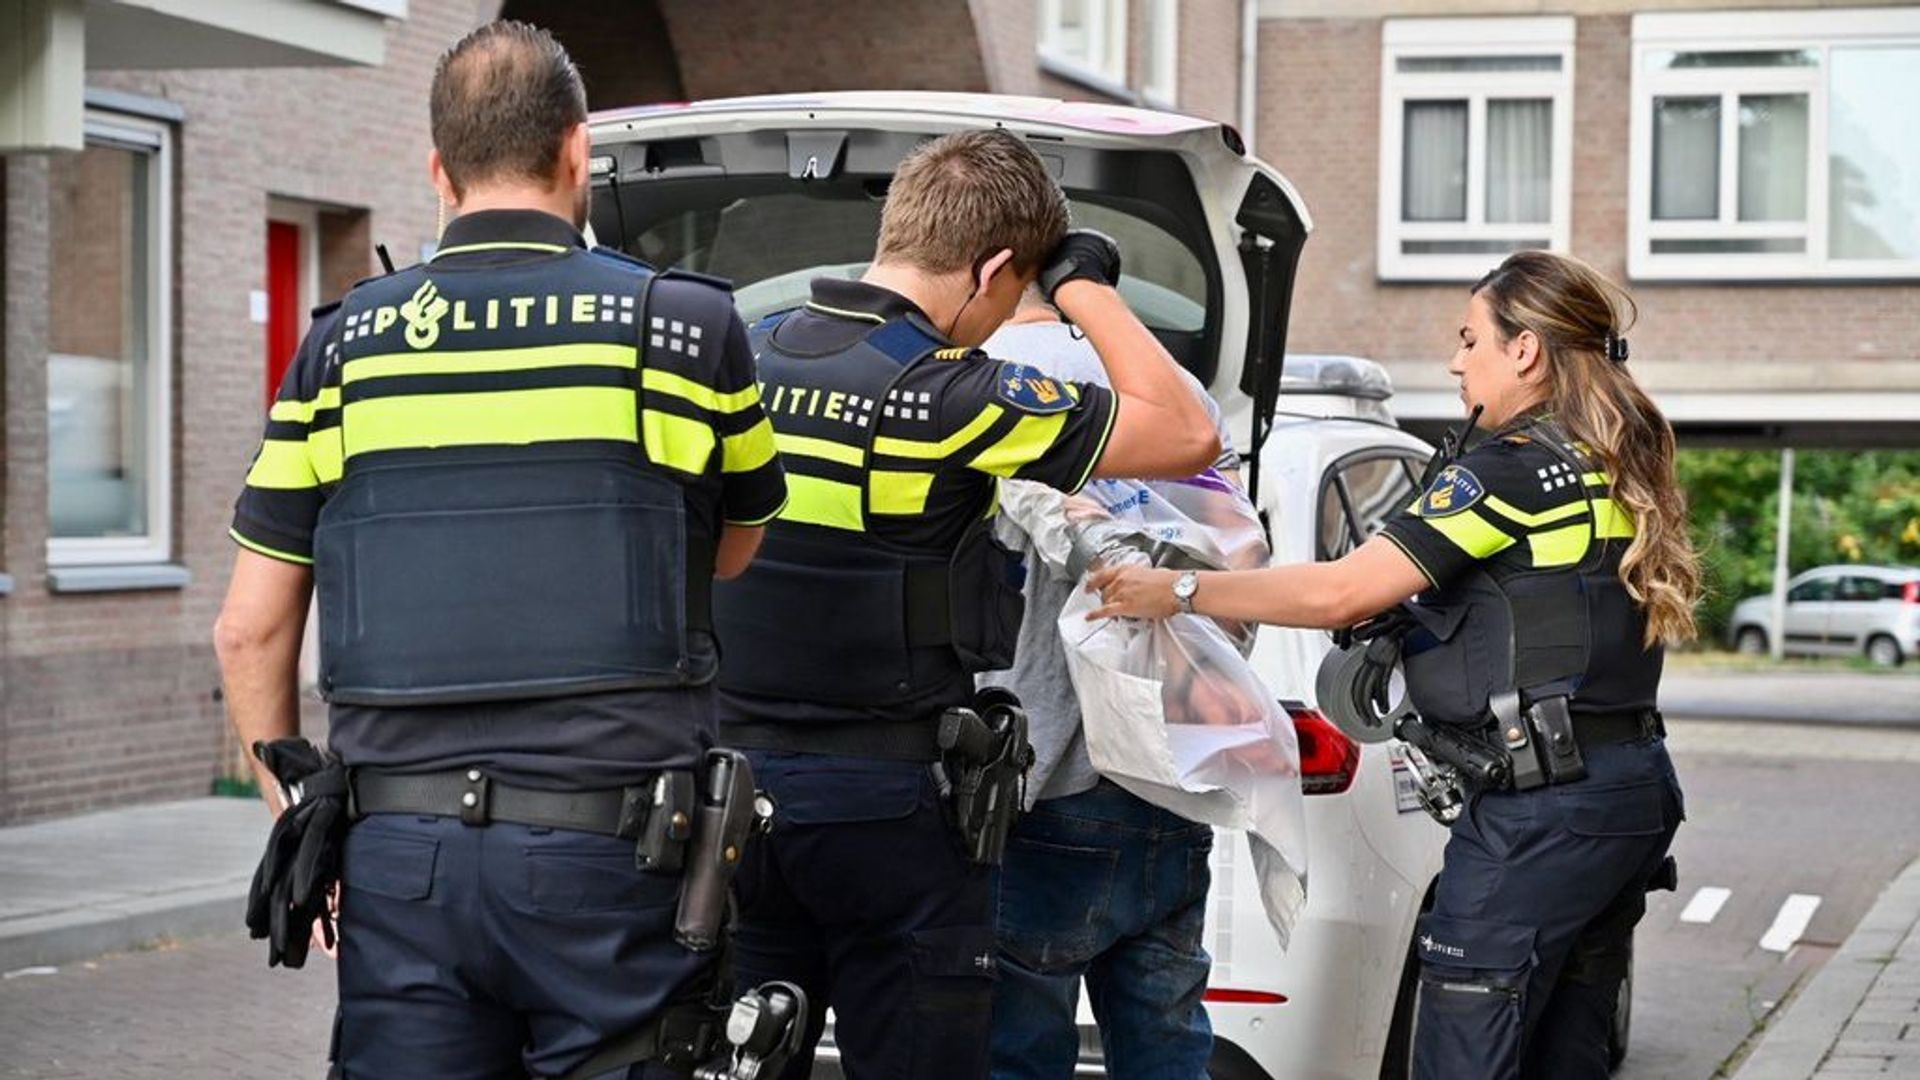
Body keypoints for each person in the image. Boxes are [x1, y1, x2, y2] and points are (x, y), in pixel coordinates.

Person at [213, 21, 786, 1079]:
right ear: (579, 153)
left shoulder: (339, 348)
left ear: (437, 170)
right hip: (612, 858)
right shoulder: (685, 329)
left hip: (401, 863)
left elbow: (249, 629)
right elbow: (733, 550)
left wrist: (302, 818)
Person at [1088, 250, 1696, 1079]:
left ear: (1525, 352)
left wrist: (1182, 587)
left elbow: (1341, 591)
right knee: (1564, 1052)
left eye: (1469, 338)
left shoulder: (1509, 470)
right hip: (1622, 791)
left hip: (1541, 813)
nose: (1455, 360)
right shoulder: (1606, 459)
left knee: (1465, 1047)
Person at [710, 129, 1222, 1079]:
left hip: (735, 798)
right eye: (1014, 291)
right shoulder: (957, 395)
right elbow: (1189, 431)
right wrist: (1081, 287)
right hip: (887, 817)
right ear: (992, 268)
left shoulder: (744, 356)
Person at [980, 287, 1238, 1080]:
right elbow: (1238, 555)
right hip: (1171, 780)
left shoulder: (978, 383)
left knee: (1022, 1052)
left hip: (1049, 787)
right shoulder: (1172, 391)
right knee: (1166, 1046)